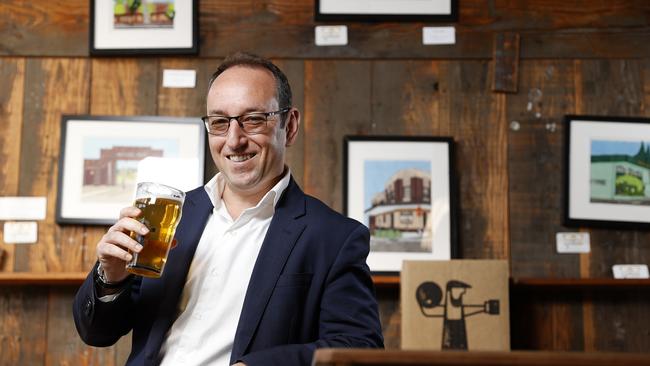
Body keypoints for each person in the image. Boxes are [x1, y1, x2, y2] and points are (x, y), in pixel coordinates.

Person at [73, 52, 384, 366]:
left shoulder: (334, 237)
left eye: (253, 120)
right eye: (220, 122)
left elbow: (359, 346)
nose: (234, 140)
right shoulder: (172, 216)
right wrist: (110, 278)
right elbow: (97, 333)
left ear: (289, 126)